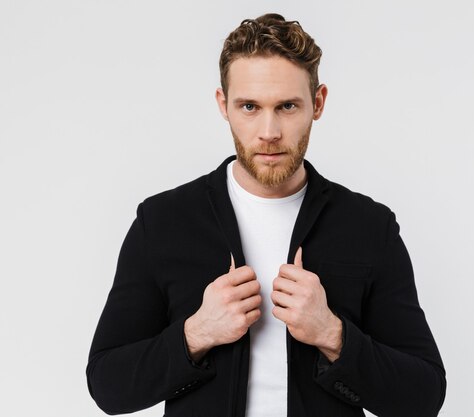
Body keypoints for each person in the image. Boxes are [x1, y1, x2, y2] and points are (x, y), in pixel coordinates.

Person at [86, 13, 446, 417]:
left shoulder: (369, 227)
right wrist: (196, 333)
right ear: (224, 105)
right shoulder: (163, 222)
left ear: (319, 103)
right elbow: (108, 385)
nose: (269, 131)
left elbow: (424, 395)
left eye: (288, 106)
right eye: (250, 106)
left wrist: (333, 334)